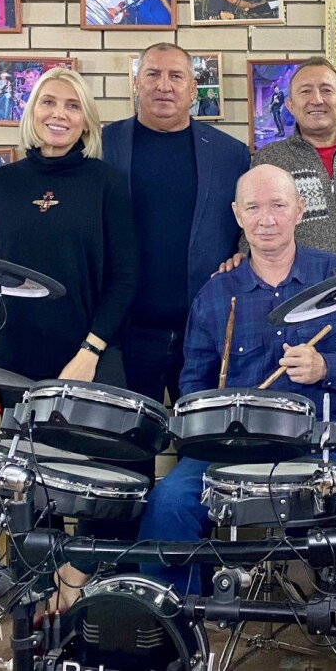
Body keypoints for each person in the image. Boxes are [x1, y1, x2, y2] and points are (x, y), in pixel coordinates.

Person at [137, 165, 336, 590]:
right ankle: (179, 619)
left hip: (324, 430)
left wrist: (326, 367)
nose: (266, 219)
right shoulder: (216, 294)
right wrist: (214, 424)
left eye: (278, 205)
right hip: (235, 437)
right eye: (253, 208)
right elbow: (193, 382)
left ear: (300, 209)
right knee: (169, 503)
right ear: (237, 215)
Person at [0, 66, 138, 611]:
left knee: (106, 487)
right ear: (32, 113)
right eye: (48, 103)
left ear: (86, 119)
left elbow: (125, 278)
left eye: (71, 105)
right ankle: (38, 605)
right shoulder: (1, 184)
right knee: (27, 491)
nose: (58, 114)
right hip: (12, 361)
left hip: (89, 358)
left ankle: (78, 582)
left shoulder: (107, 182)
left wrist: (90, 351)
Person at [103, 42, 249, 414]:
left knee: (205, 439)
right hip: (125, 332)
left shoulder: (231, 154)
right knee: (127, 442)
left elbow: (248, 224)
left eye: (176, 76)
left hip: (204, 331)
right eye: (153, 74)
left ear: (193, 89)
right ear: (136, 83)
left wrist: (242, 253)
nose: (164, 85)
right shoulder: (102, 145)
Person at [250, 57, 336, 266]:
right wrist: (243, 256)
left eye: (327, 90)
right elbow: (254, 222)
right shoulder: (269, 160)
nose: (317, 100)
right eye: (305, 91)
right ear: (290, 105)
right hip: (301, 284)